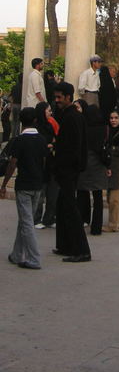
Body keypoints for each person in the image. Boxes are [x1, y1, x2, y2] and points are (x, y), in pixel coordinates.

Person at [0, 107, 46, 269]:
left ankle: (34, 258)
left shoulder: (19, 140)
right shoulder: (41, 140)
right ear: (35, 121)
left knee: (26, 223)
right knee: (26, 220)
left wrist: (4, 184)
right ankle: (17, 253)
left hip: (24, 185)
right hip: (37, 184)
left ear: (21, 121)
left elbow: (12, 164)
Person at [53, 82, 91, 263]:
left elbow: (75, 146)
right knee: (61, 206)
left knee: (70, 208)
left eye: (60, 97)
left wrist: (66, 165)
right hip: (67, 169)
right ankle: (65, 245)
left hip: (69, 169)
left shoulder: (72, 117)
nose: (57, 101)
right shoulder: (68, 115)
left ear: (69, 97)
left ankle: (81, 250)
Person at [76, 104, 108, 235]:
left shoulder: (83, 128)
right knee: (98, 196)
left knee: (82, 194)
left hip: (84, 164)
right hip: (98, 165)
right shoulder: (104, 129)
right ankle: (96, 226)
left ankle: (82, 220)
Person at [33, 101, 59, 229]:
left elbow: (55, 140)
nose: (50, 112)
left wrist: (51, 145)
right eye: (48, 110)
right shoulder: (36, 127)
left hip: (52, 163)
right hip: (40, 164)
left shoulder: (51, 125)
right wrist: (48, 145)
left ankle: (49, 217)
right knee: (40, 193)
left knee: (52, 193)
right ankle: (36, 218)